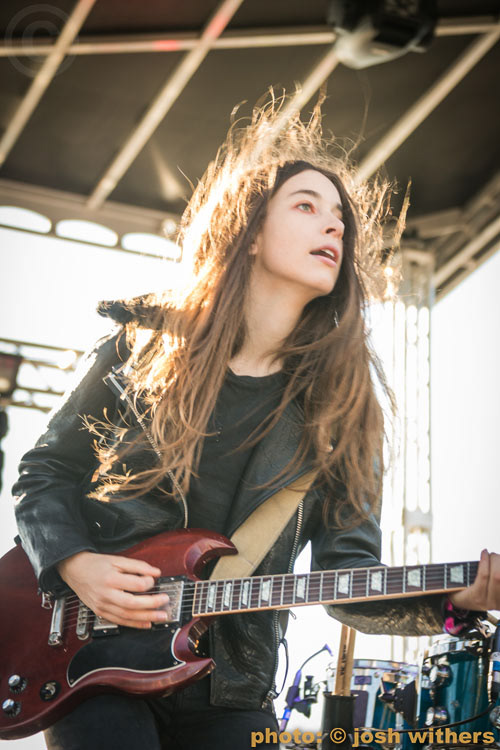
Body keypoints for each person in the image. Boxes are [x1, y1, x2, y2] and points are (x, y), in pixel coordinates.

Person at [12, 99, 499, 750]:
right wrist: (74, 563)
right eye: (306, 205)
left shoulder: (344, 411)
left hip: (231, 690)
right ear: (248, 232)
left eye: (340, 217)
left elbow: (348, 577)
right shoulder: (143, 346)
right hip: (89, 663)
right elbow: (45, 471)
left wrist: (448, 605)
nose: (334, 225)